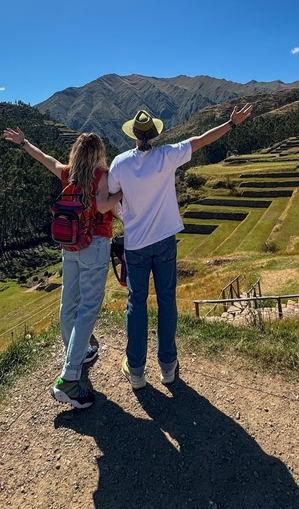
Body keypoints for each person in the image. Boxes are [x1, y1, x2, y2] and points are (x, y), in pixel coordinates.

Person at [97, 103, 253, 390]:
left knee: (136, 303)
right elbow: (202, 139)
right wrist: (231, 124)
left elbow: (106, 201)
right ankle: (168, 367)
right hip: (166, 240)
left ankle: (135, 370)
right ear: (153, 134)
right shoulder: (167, 156)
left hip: (136, 245)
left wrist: (123, 202)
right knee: (167, 301)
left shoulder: (119, 164)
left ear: (133, 134)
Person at [3, 126, 122, 409]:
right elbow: (104, 205)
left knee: (68, 304)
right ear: (99, 154)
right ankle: (69, 378)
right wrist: (121, 195)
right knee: (88, 310)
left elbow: (45, 158)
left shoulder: (68, 173)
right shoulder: (101, 175)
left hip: (69, 247)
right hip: (94, 246)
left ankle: (78, 354)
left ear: (77, 153)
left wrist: (24, 142)